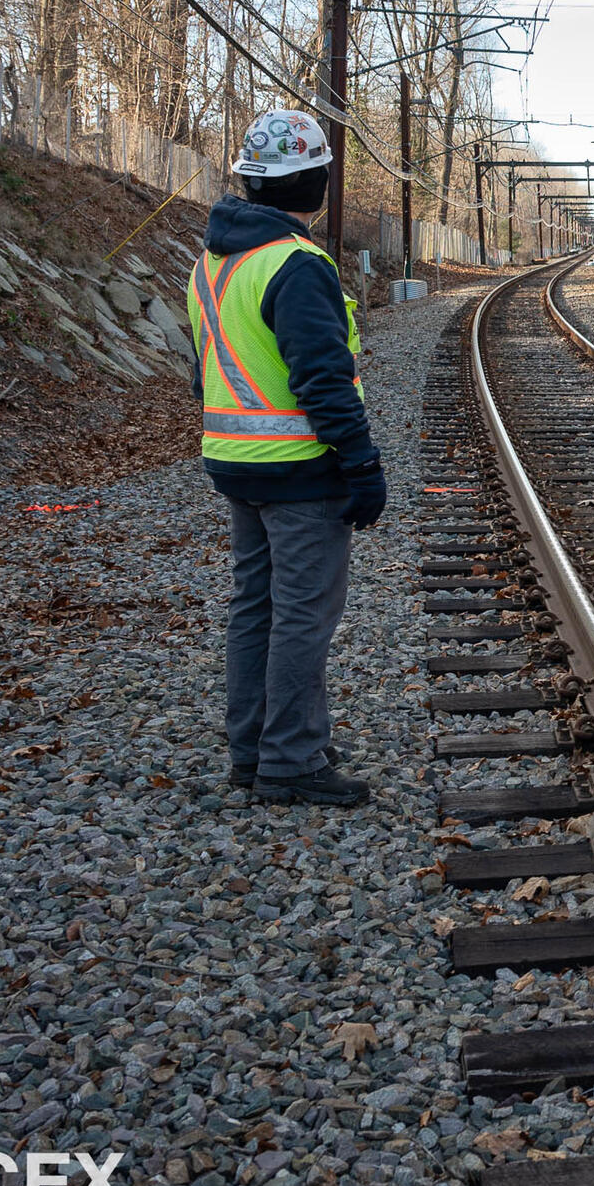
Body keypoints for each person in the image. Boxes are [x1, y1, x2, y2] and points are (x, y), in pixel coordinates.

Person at [189, 108, 389, 807]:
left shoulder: (214, 259)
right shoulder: (296, 264)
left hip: (234, 459)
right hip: (300, 468)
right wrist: (360, 463)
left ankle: (252, 750)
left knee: (256, 607)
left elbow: (205, 367)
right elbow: (323, 380)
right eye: (322, 174)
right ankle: (290, 761)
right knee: (303, 614)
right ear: (308, 182)